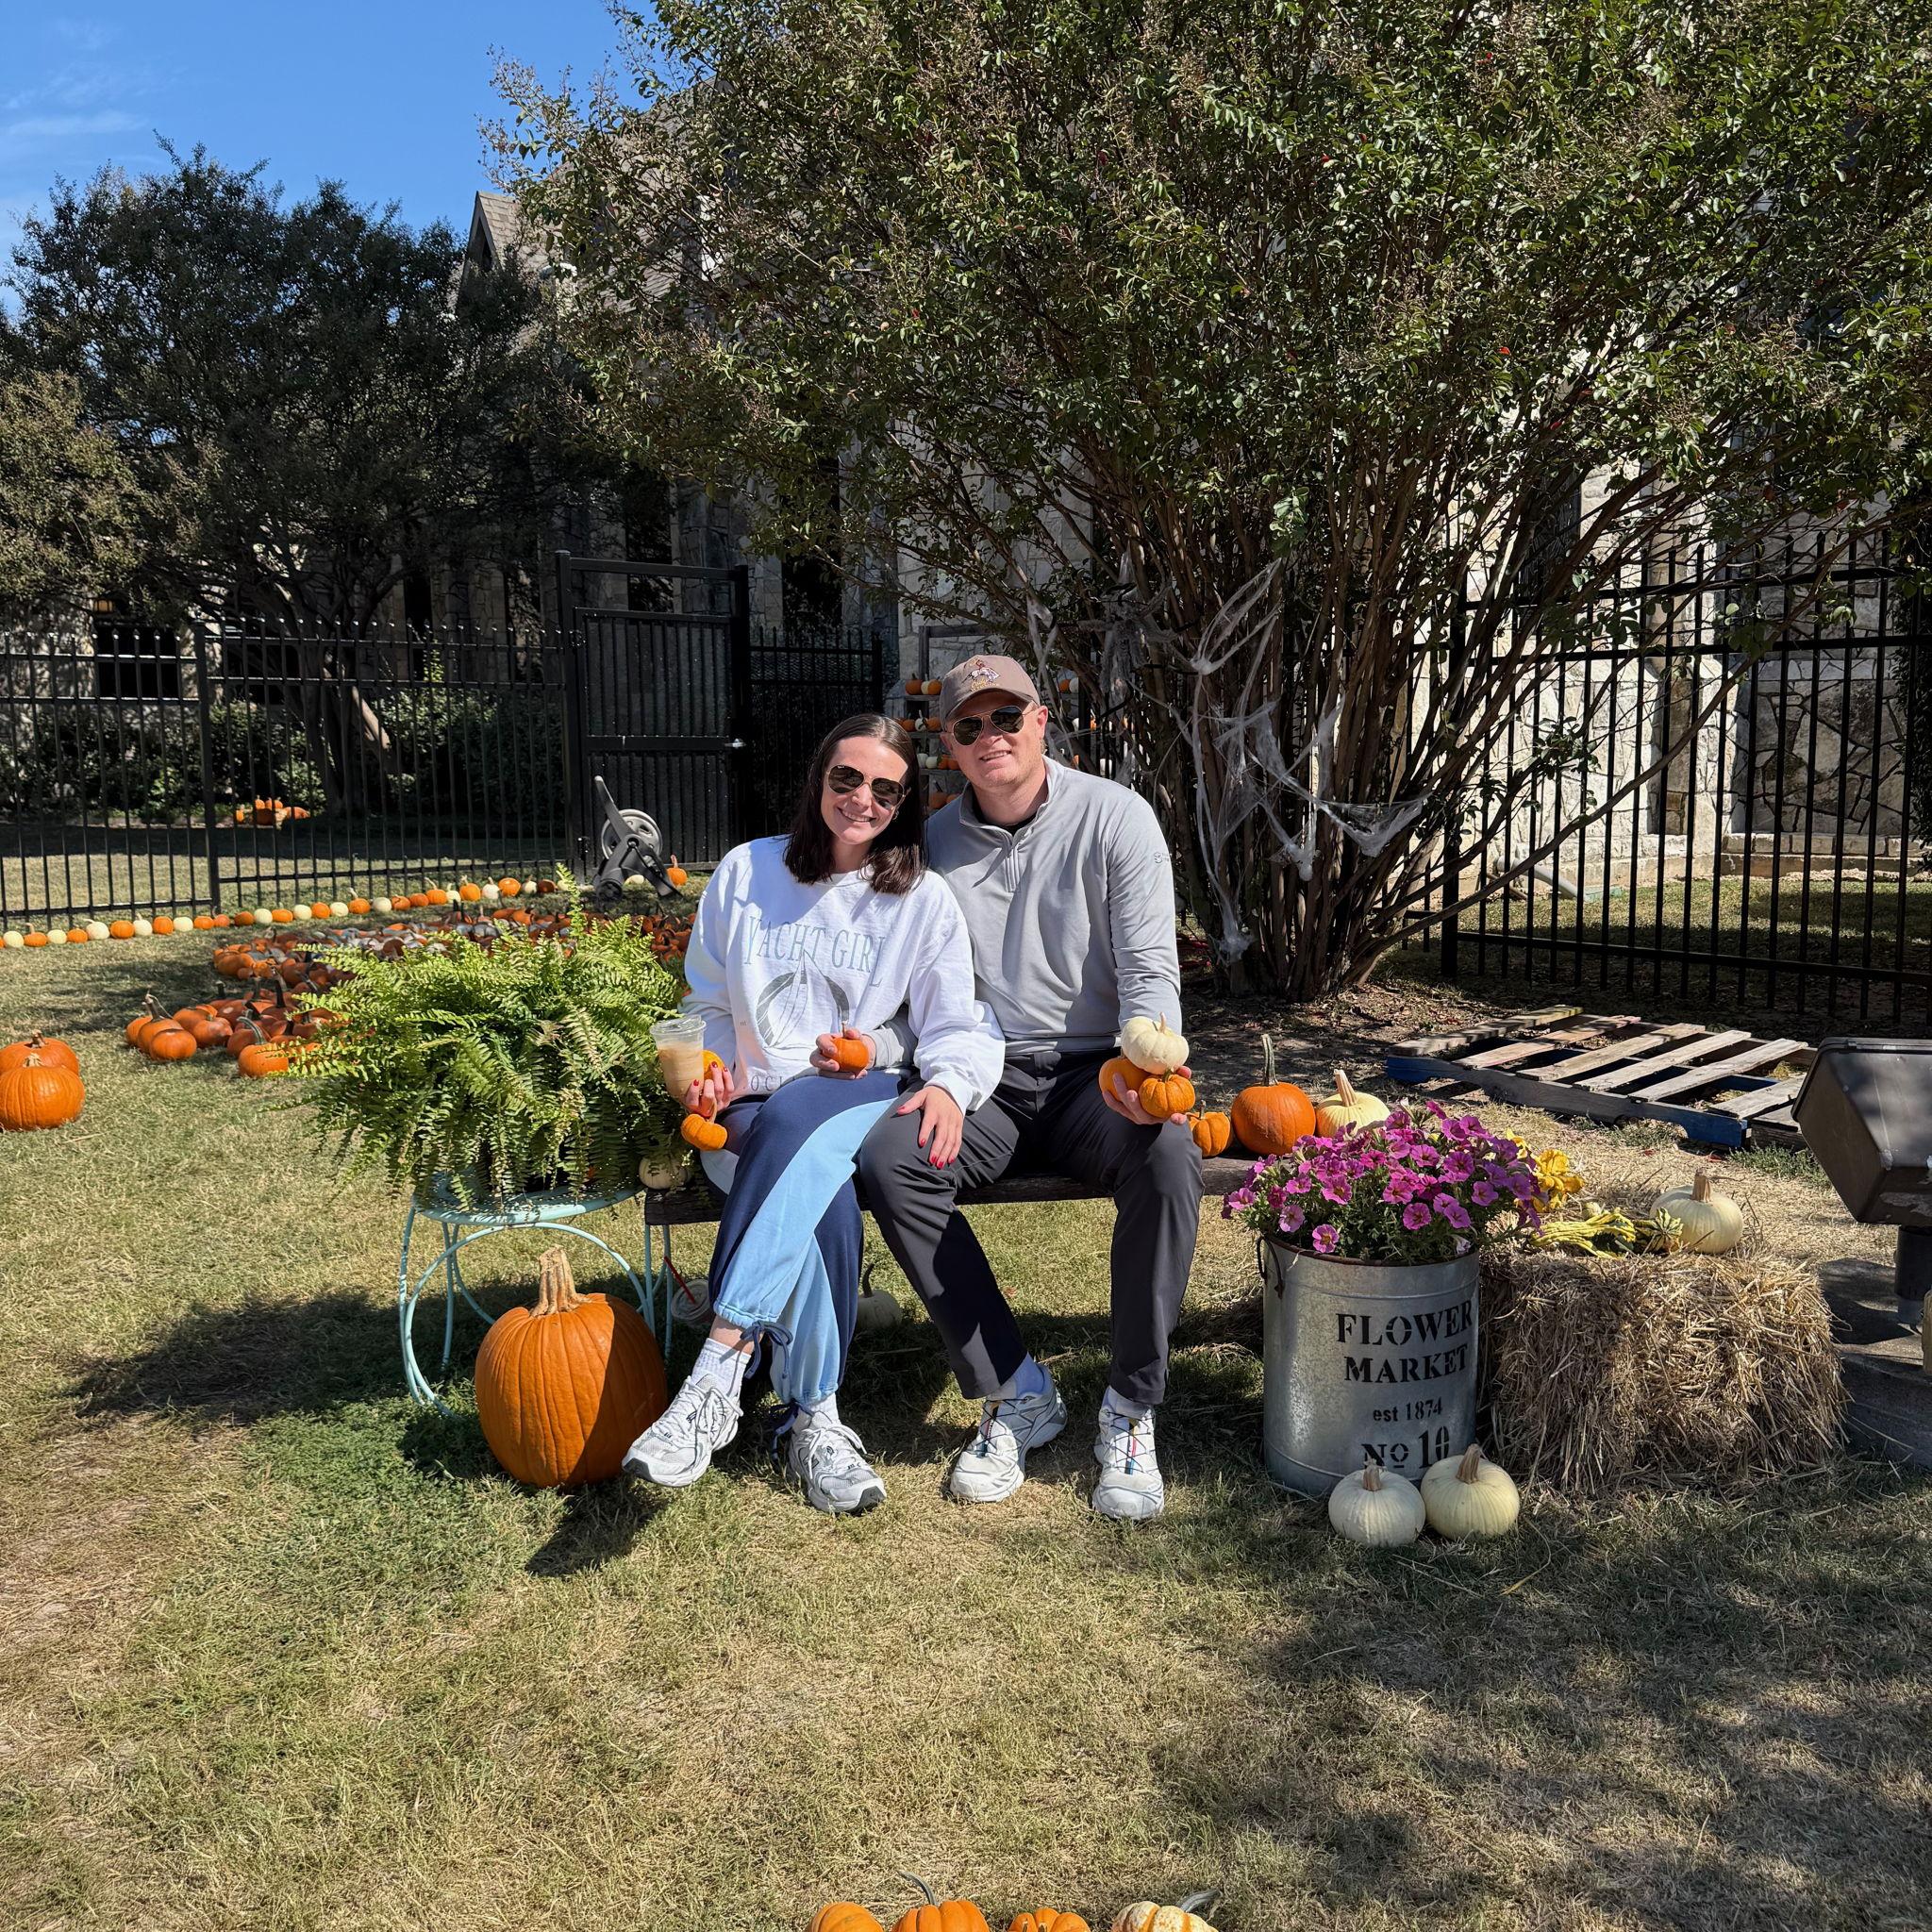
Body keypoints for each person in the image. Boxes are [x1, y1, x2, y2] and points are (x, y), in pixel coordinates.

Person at [830, 655, 1202, 1522]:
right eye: (969, 727)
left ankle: (1130, 1406)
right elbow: (908, 990)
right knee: (895, 1153)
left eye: (1007, 719)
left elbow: (1150, 970)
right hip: (981, 1072)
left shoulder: (1117, 820)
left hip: (1094, 1075)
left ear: (1043, 721)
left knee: (1169, 1155)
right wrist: (867, 1050)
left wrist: (1146, 1064)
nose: (990, 737)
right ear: (950, 748)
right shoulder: (927, 845)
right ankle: (1016, 1390)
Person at [622, 714, 1003, 1514]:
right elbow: (709, 1000)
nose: (862, 799)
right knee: (816, 1181)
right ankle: (814, 1420)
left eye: (885, 789)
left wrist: (947, 1084)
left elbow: (955, 1023)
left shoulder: (921, 901)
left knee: (811, 1121)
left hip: (860, 1095)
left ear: (903, 804)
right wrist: (714, 1064)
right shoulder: (746, 871)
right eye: (847, 778)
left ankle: (720, 1369)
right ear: (819, 780)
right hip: (751, 1113)